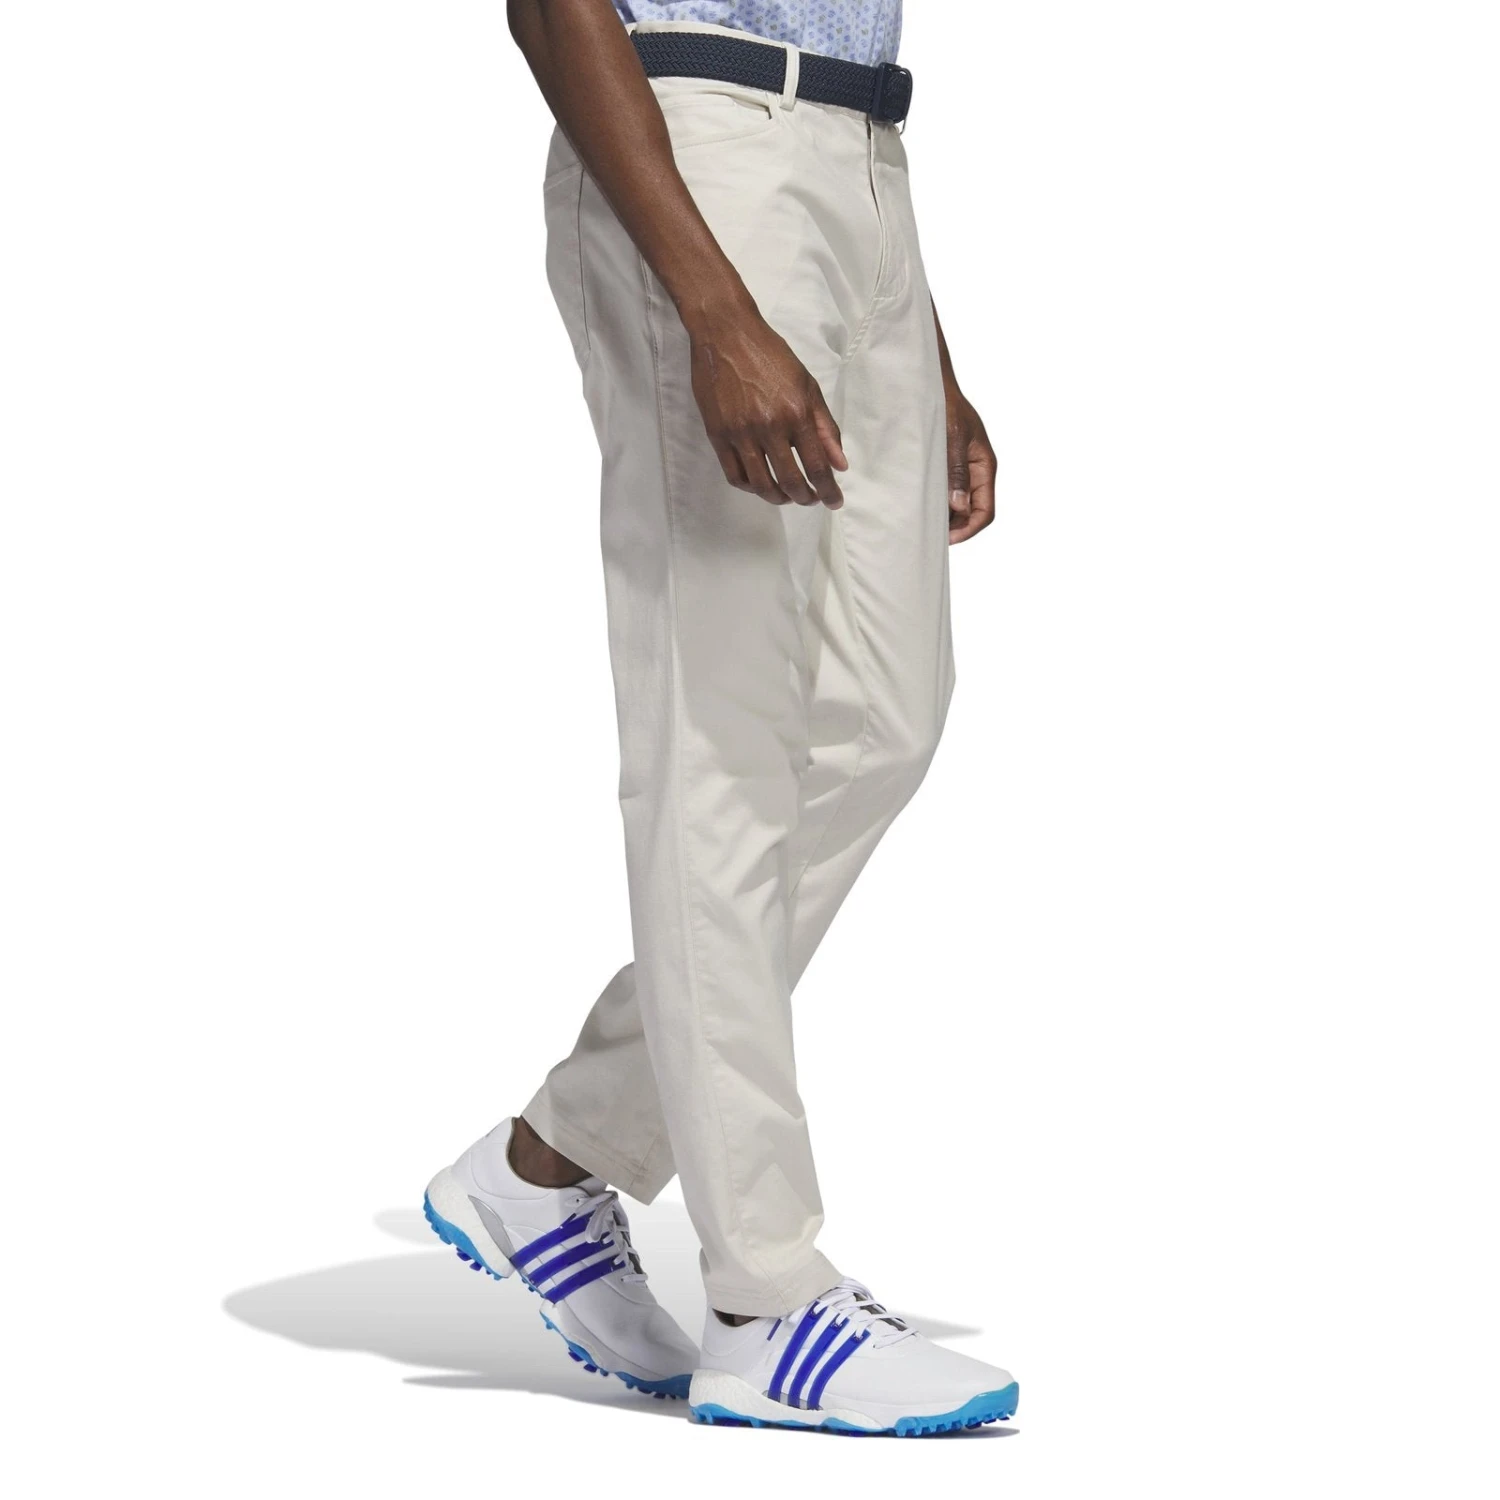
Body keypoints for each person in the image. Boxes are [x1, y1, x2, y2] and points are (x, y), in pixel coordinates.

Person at [423, 0, 1017, 1435]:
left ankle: (558, 1154)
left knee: (884, 720)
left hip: (867, 158)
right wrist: (715, 306)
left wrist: (926, 355)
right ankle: (763, 1301)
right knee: (725, 752)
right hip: (698, 152)